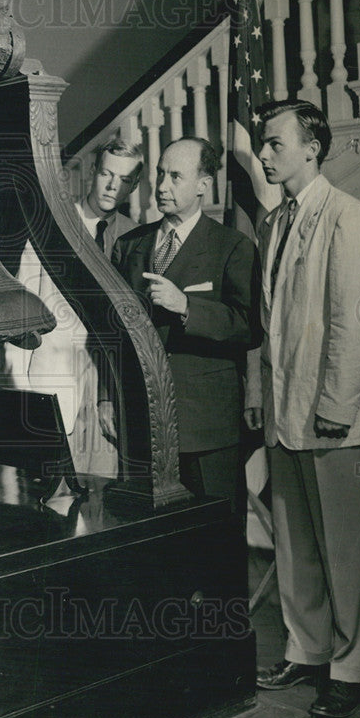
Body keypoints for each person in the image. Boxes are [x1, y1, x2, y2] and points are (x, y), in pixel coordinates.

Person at [245, 99, 360, 718]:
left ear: (312, 148)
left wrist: (335, 408)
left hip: (335, 420)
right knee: (296, 545)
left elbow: (354, 326)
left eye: (274, 144)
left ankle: (355, 667)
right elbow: (271, 330)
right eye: (262, 145)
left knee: (347, 553)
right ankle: (308, 648)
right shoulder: (274, 224)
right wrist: (261, 399)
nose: (264, 155)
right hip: (285, 413)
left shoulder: (348, 217)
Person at [111, 137, 261, 516]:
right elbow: (111, 335)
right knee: (151, 544)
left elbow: (248, 326)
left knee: (218, 541)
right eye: (161, 174)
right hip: (143, 424)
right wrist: (105, 399)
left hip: (207, 428)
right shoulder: (129, 246)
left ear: (203, 184)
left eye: (175, 176)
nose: (161, 186)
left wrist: (186, 306)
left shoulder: (233, 246)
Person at [0, 138, 141, 477]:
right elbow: (22, 313)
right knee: (55, 502)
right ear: (92, 172)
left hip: (108, 391)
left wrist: (114, 396)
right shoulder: (52, 228)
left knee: (104, 495)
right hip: (53, 384)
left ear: (135, 185)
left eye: (125, 179)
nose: (113, 186)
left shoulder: (136, 238)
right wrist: (22, 394)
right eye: (106, 173)